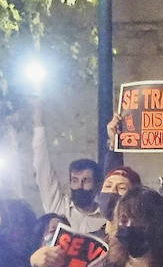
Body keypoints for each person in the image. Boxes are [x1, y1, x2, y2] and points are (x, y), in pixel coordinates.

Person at [32, 101, 107, 235]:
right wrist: (39, 123)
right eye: (75, 180)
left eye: (86, 181)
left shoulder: (106, 218)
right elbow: (42, 167)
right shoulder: (59, 207)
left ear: (97, 184)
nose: (80, 186)